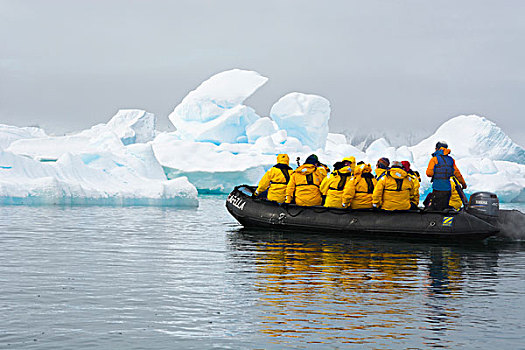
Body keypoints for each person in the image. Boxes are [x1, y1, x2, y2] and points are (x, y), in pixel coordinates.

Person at [426, 141, 466, 211]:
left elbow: (429, 173)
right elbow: (457, 174)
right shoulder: (451, 160)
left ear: (437, 149)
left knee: (436, 208)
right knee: (444, 206)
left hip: (437, 188)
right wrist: (463, 184)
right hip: (447, 189)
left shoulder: (434, 159)